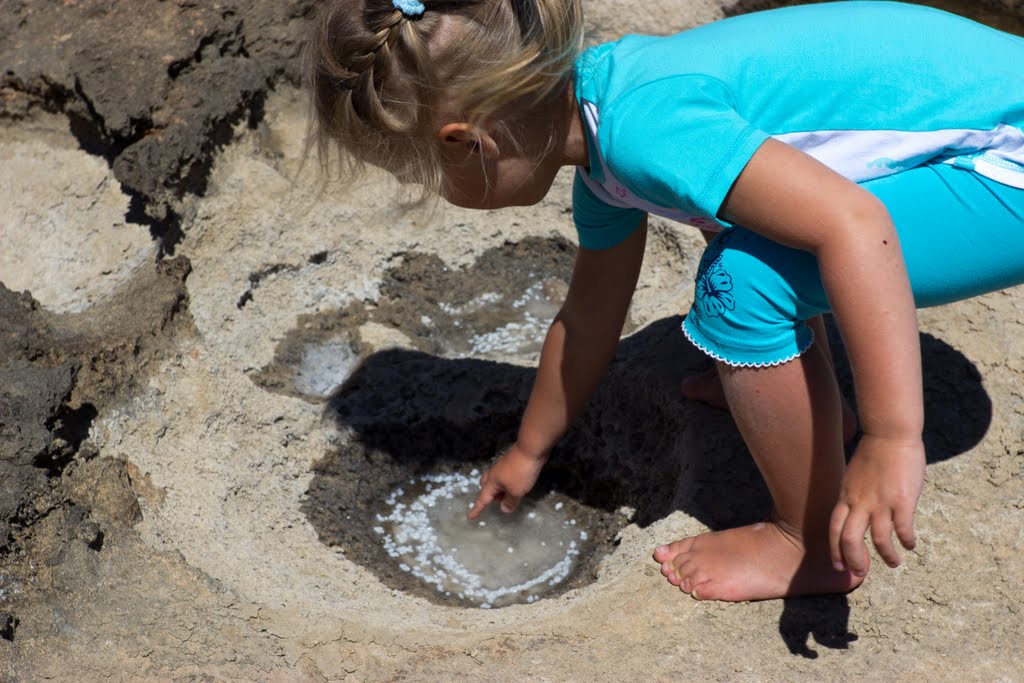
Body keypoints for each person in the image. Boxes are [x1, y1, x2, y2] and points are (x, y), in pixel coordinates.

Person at [307, 0, 1024, 601]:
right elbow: (589, 317)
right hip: (978, 124)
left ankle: (804, 544)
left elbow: (855, 226)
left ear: (471, 144)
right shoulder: (608, 119)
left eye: (423, 174)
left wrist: (891, 437)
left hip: (1004, 160)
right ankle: (797, 398)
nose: (435, 191)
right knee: (759, 233)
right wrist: (530, 448)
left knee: (740, 284)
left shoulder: (645, 133)